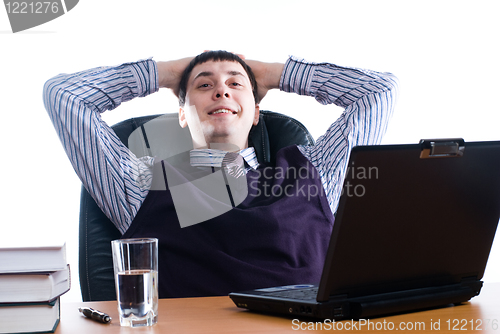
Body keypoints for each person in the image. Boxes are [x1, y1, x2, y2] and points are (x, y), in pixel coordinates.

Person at [43, 51, 398, 298]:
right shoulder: (140, 185)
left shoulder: (315, 172)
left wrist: (276, 74)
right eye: (203, 85)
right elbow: (64, 96)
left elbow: (379, 92)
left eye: (235, 84)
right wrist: (165, 72)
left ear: (256, 113)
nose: (221, 89)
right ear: (183, 115)